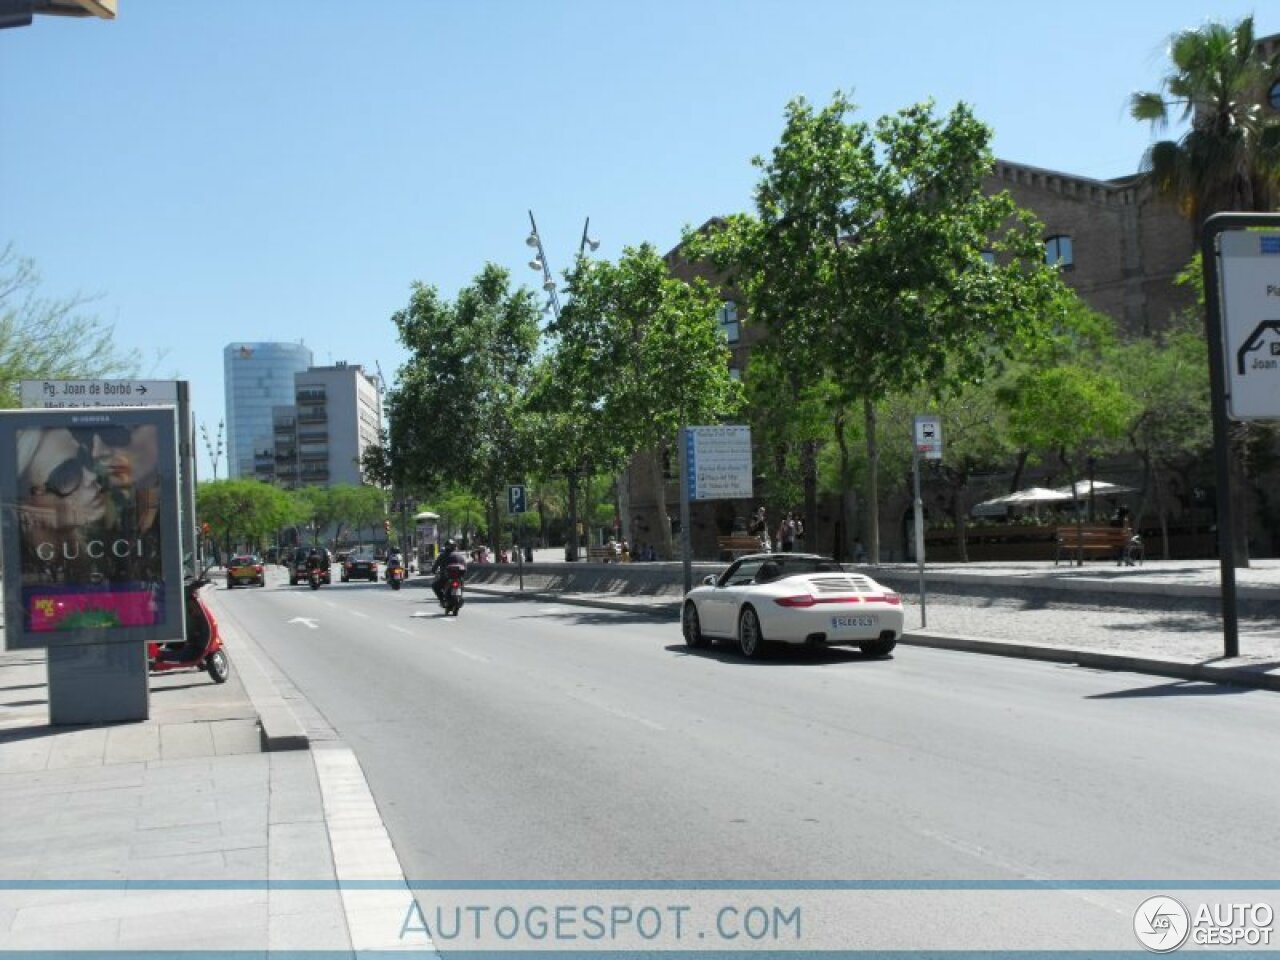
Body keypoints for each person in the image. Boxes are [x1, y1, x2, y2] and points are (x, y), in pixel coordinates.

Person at [16, 426, 110, 585]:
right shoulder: (19, 576)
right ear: (26, 501)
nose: (92, 476)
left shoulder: (95, 551)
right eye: (67, 475)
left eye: (84, 457)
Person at [432, 539, 469, 603]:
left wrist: (433, 571)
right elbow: (465, 566)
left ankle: (442, 600)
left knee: (434, 586)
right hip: (459, 578)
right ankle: (459, 597)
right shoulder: (459, 555)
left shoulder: (442, 555)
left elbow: (435, 566)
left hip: (445, 578)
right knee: (461, 585)